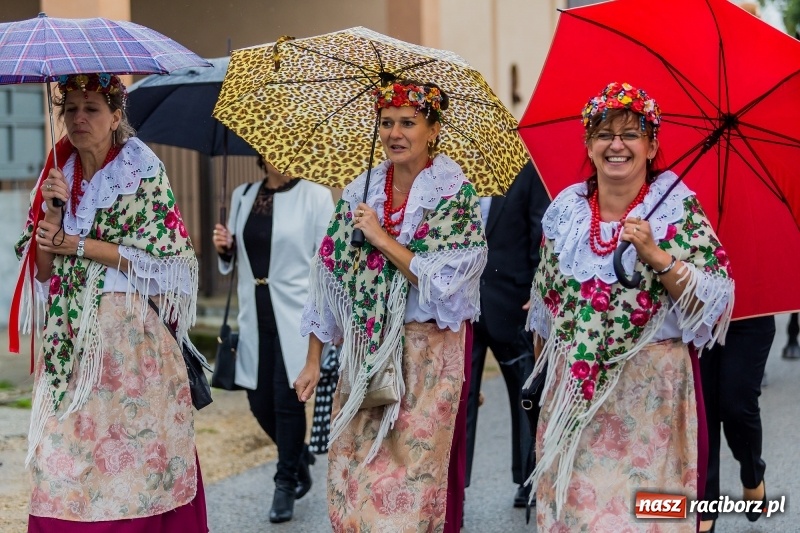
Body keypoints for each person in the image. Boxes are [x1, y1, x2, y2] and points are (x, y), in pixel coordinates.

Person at [525, 81, 734, 532]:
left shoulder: (677, 208)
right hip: (576, 392)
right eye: (604, 133)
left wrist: (658, 257)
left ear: (652, 145)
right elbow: (545, 304)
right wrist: (549, 383)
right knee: (578, 515)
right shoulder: (567, 209)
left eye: (630, 133)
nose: (616, 145)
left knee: (641, 517)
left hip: (650, 394)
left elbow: (712, 302)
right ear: (588, 142)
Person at [12, 73, 207, 531]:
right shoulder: (57, 172)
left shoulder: (141, 170)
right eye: (71, 108)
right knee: (64, 461)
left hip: (131, 342)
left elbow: (169, 265)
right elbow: (41, 271)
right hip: (71, 344)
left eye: (92, 109)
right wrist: (51, 215)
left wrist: (78, 244)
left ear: (116, 116)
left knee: (134, 459)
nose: (79, 118)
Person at [294, 79, 487, 532]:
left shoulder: (453, 194)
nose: (394, 133)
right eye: (386, 123)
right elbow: (331, 273)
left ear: (433, 130)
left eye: (408, 123)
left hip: (428, 353)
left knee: (411, 477)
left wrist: (381, 238)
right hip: (366, 350)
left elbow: (444, 282)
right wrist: (312, 361)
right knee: (354, 469)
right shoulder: (361, 191)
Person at [212, 156, 333, 523]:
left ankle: (285, 483)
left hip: (295, 315)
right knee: (258, 401)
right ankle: (299, 455)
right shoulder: (244, 195)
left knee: (287, 400)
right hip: (254, 314)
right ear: (262, 156)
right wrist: (225, 249)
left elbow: (326, 263)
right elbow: (237, 259)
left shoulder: (316, 196)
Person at [465, 160, 549, 508]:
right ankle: (454, 486)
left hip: (513, 302)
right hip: (460, 304)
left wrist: (537, 290)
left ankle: (528, 478)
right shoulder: (447, 171)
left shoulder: (526, 169)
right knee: (460, 397)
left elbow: (538, 231)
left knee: (525, 394)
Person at [699, 316, 774, 532]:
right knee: (702, 406)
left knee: (738, 406)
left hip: (751, 310)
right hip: (693, 309)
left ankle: (752, 473)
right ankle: (705, 506)